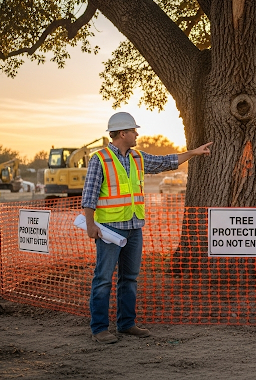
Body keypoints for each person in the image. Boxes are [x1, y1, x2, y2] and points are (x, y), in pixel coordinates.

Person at [82, 111, 212, 344]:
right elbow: (89, 195)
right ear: (123, 133)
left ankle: (126, 324)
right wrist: (90, 224)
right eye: (133, 130)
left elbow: (165, 162)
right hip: (110, 230)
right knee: (103, 279)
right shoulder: (99, 159)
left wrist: (192, 153)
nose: (137, 134)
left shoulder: (138, 158)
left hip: (134, 228)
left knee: (129, 278)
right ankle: (100, 328)